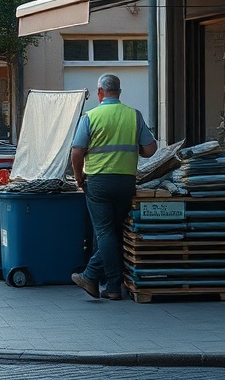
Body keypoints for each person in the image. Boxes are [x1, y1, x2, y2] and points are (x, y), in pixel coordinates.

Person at [69, 74, 158, 300]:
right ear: (119, 92)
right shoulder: (134, 115)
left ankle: (91, 276)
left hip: (99, 182)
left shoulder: (91, 116)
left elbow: (77, 151)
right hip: (126, 182)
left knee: (105, 232)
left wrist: (78, 177)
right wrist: (134, 148)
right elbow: (150, 149)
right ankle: (112, 286)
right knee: (114, 231)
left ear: (100, 92)